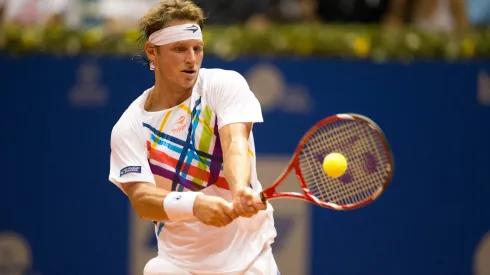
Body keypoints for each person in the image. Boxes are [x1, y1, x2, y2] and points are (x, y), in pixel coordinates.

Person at [107, 1, 279, 274]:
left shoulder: (223, 84)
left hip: (250, 257)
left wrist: (240, 190)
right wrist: (194, 204)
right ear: (152, 52)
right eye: (179, 49)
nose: (191, 59)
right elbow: (141, 200)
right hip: (180, 265)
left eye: (197, 48)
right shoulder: (130, 126)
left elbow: (235, 141)